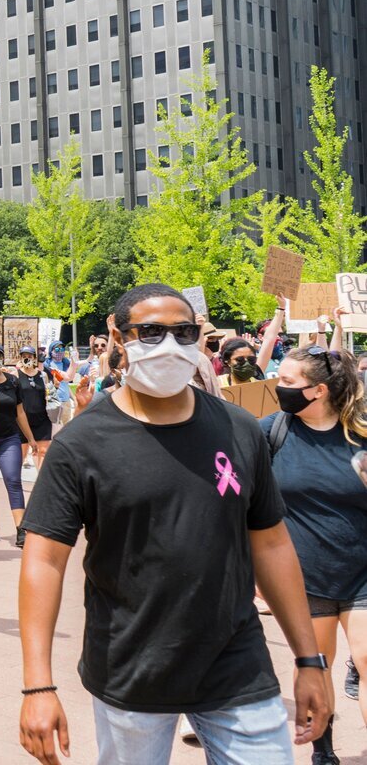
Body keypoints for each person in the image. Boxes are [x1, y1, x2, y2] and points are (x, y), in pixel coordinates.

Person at [18, 283, 330, 765]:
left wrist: (309, 660)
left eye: (183, 332)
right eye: (150, 332)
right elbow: (44, 561)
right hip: (130, 669)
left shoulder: (239, 428)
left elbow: (270, 546)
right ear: (118, 337)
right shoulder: (81, 444)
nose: (168, 345)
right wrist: (37, 685)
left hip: (237, 664)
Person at [264, 345, 367, 765]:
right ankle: (322, 752)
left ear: (319, 390)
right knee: (315, 665)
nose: (278, 387)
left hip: (362, 571)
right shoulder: (270, 432)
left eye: (288, 382)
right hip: (304, 576)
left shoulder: (360, 434)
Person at [0, 343, 37, 548]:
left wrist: (30, 438)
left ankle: (21, 530)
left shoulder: (12, 381)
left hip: (9, 439)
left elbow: (20, 413)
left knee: (13, 481)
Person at [12, 345, 55, 470]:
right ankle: (15, 485)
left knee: (43, 452)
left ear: (34, 358)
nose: (27, 359)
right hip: (22, 421)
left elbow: (49, 393)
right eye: (24, 357)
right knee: (21, 454)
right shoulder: (16, 375)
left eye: (29, 356)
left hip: (42, 420)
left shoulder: (43, 375)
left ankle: (40, 485)